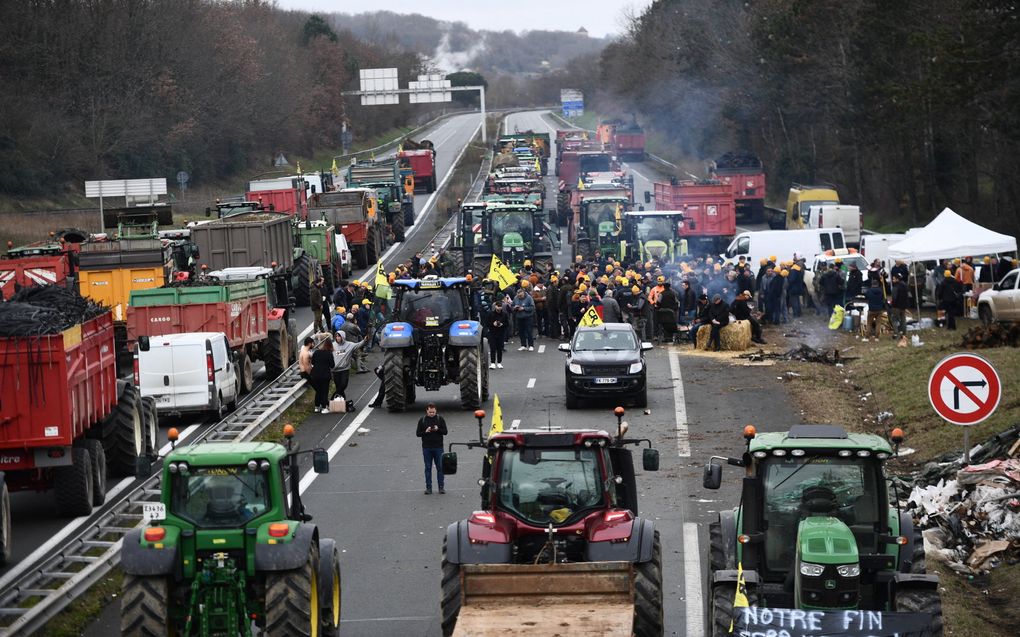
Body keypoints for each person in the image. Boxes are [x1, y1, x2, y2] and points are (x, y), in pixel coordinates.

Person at [416, 403, 448, 495]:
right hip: (427, 448)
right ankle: (428, 488)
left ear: (436, 411)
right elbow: (418, 434)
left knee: (440, 468)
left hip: (438, 448)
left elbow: (445, 432)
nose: (432, 414)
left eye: (433, 412)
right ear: (427, 411)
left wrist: (438, 429)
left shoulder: (440, 419)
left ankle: (441, 487)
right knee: (428, 468)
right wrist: (425, 431)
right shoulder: (422, 420)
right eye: (430, 412)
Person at [331, 331, 369, 405]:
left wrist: (365, 340)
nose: (337, 338)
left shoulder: (349, 345)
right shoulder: (332, 345)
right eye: (336, 336)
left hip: (344, 369)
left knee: (343, 385)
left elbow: (358, 345)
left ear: (343, 337)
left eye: (339, 336)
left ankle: (332, 400)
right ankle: (342, 403)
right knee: (338, 387)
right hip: (335, 370)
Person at [310, 340, 335, 413]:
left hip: (315, 374)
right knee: (324, 391)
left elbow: (313, 362)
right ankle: (324, 407)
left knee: (318, 391)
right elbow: (332, 365)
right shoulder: (329, 354)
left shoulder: (316, 352)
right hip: (325, 375)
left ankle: (317, 407)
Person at [486, 295, 510, 369]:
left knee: (500, 348)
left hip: (501, 333)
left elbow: (507, 324)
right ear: (495, 306)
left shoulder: (504, 314)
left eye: (500, 306)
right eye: (498, 306)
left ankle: (499, 362)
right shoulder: (490, 314)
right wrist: (493, 324)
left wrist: (502, 324)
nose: (499, 307)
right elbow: (487, 323)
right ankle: (493, 362)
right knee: (492, 348)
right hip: (492, 333)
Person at [888, 273, 910, 339]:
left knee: (894, 319)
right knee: (903, 320)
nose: (892, 280)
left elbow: (894, 298)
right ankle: (904, 334)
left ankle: (896, 334)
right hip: (903, 306)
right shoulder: (905, 285)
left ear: (897, 279)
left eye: (894, 279)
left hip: (896, 306)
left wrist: (891, 304)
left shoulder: (896, 287)